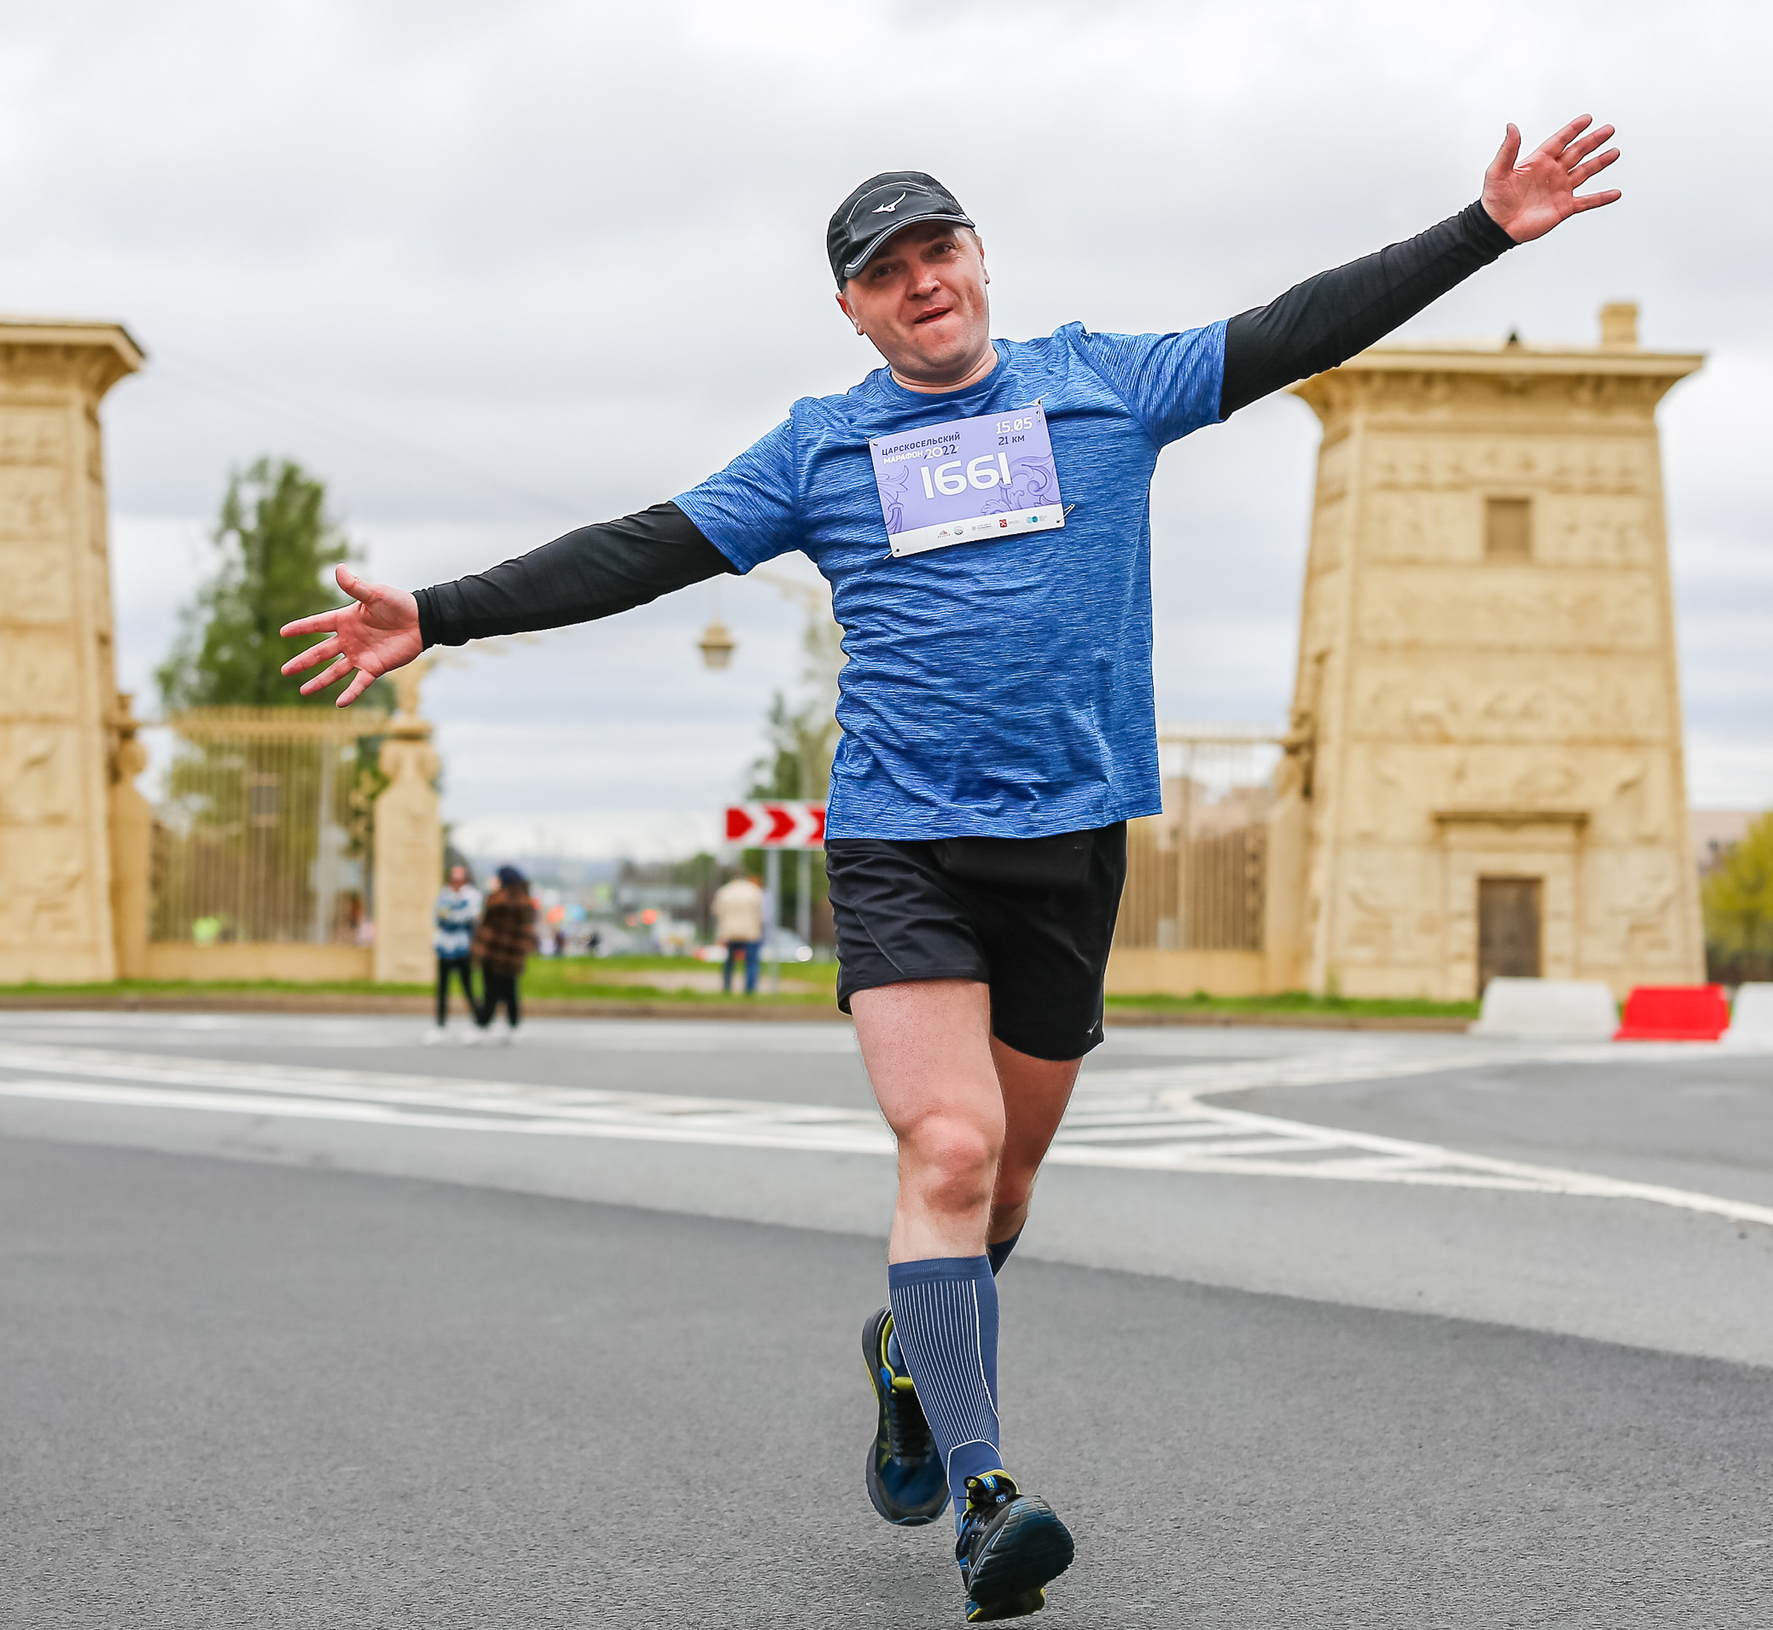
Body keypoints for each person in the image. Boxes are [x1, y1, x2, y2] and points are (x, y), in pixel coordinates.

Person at [279, 116, 1620, 1622]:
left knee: (1011, 1183)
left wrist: (1481, 230)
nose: (922, 283)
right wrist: (440, 612)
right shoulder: (822, 446)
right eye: (885, 271)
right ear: (850, 307)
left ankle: (909, 1353)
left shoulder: (1107, 383)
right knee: (952, 1149)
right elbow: (648, 545)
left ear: (981, 261)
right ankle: (988, 1494)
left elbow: (1297, 328)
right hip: (902, 839)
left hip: (1069, 846)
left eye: (940, 251)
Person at [473, 865, 537, 1042]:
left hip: (493, 953)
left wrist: (478, 952)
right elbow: (527, 932)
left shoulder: (496, 900)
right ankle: (513, 1026)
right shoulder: (526, 902)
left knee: (490, 992)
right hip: (513, 955)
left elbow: (485, 929)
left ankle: (484, 1025)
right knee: (510, 992)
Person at [427, 863, 483, 1045]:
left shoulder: (472, 895)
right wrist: (455, 915)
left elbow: (469, 917)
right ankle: (440, 1025)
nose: (456, 883)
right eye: (453, 879)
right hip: (445, 948)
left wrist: (453, 915)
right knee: (442, 988)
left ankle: (477, 1023)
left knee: (468, 988)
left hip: (463, 948)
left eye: (459, 879)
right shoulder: (444, 894)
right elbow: (439, 917)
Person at [713, 871, 766, 995]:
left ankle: (727, 987)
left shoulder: (724, 892)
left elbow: (717, 911)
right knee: (751, 962)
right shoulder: (754, 891)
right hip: (750, 932)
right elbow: (761, 913)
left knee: (729, 962)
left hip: (729, 932)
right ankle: (750, 989)